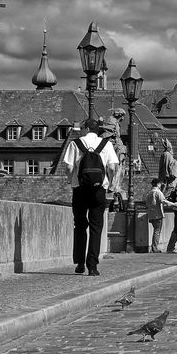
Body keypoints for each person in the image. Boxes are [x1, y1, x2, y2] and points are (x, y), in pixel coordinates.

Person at [59, 118, 119, 276]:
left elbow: (69, 166)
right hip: (98, 189)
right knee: (96, 227)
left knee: (79, 225)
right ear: (97, 130)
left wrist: (70, 178)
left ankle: (79, 263)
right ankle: (92, 265)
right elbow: (112, 167)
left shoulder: (75, 143)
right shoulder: (106, 144)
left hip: (79, 188)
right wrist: (110, 181)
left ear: (86, 128)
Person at [144, 178, 167, 254]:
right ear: (158, 184)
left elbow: (147, 204)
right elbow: (163, 201)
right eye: (160, 184)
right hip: (158, 214)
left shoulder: (149, 193)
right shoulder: (158, 192)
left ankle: (153, 247)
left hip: (151, 214)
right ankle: (154, 248)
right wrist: (173, 204)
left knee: (155, 231)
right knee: (157, 231)